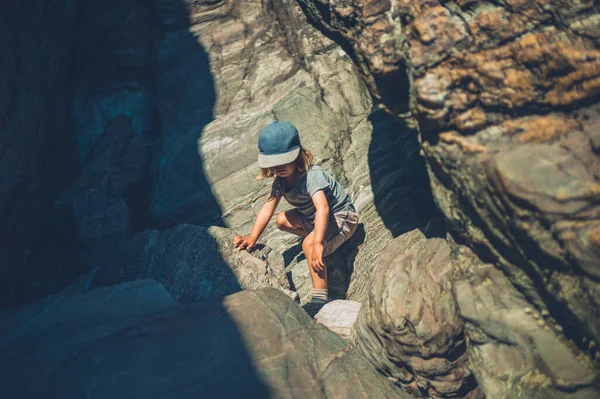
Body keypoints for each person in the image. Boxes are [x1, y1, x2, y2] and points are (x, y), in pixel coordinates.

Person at [233, 121, 359, 317]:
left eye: (283, 162)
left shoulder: (312, 176)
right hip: (313, 218)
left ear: (298, 155)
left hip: (341, 216)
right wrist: (252, 238)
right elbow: (268, 209)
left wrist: (317, 242)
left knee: (309, 244)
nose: (278, 168)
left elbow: (323, 208)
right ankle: (322, 240)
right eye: (273, 165)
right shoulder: (280, 182)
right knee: (281, 220)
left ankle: (320, 299)